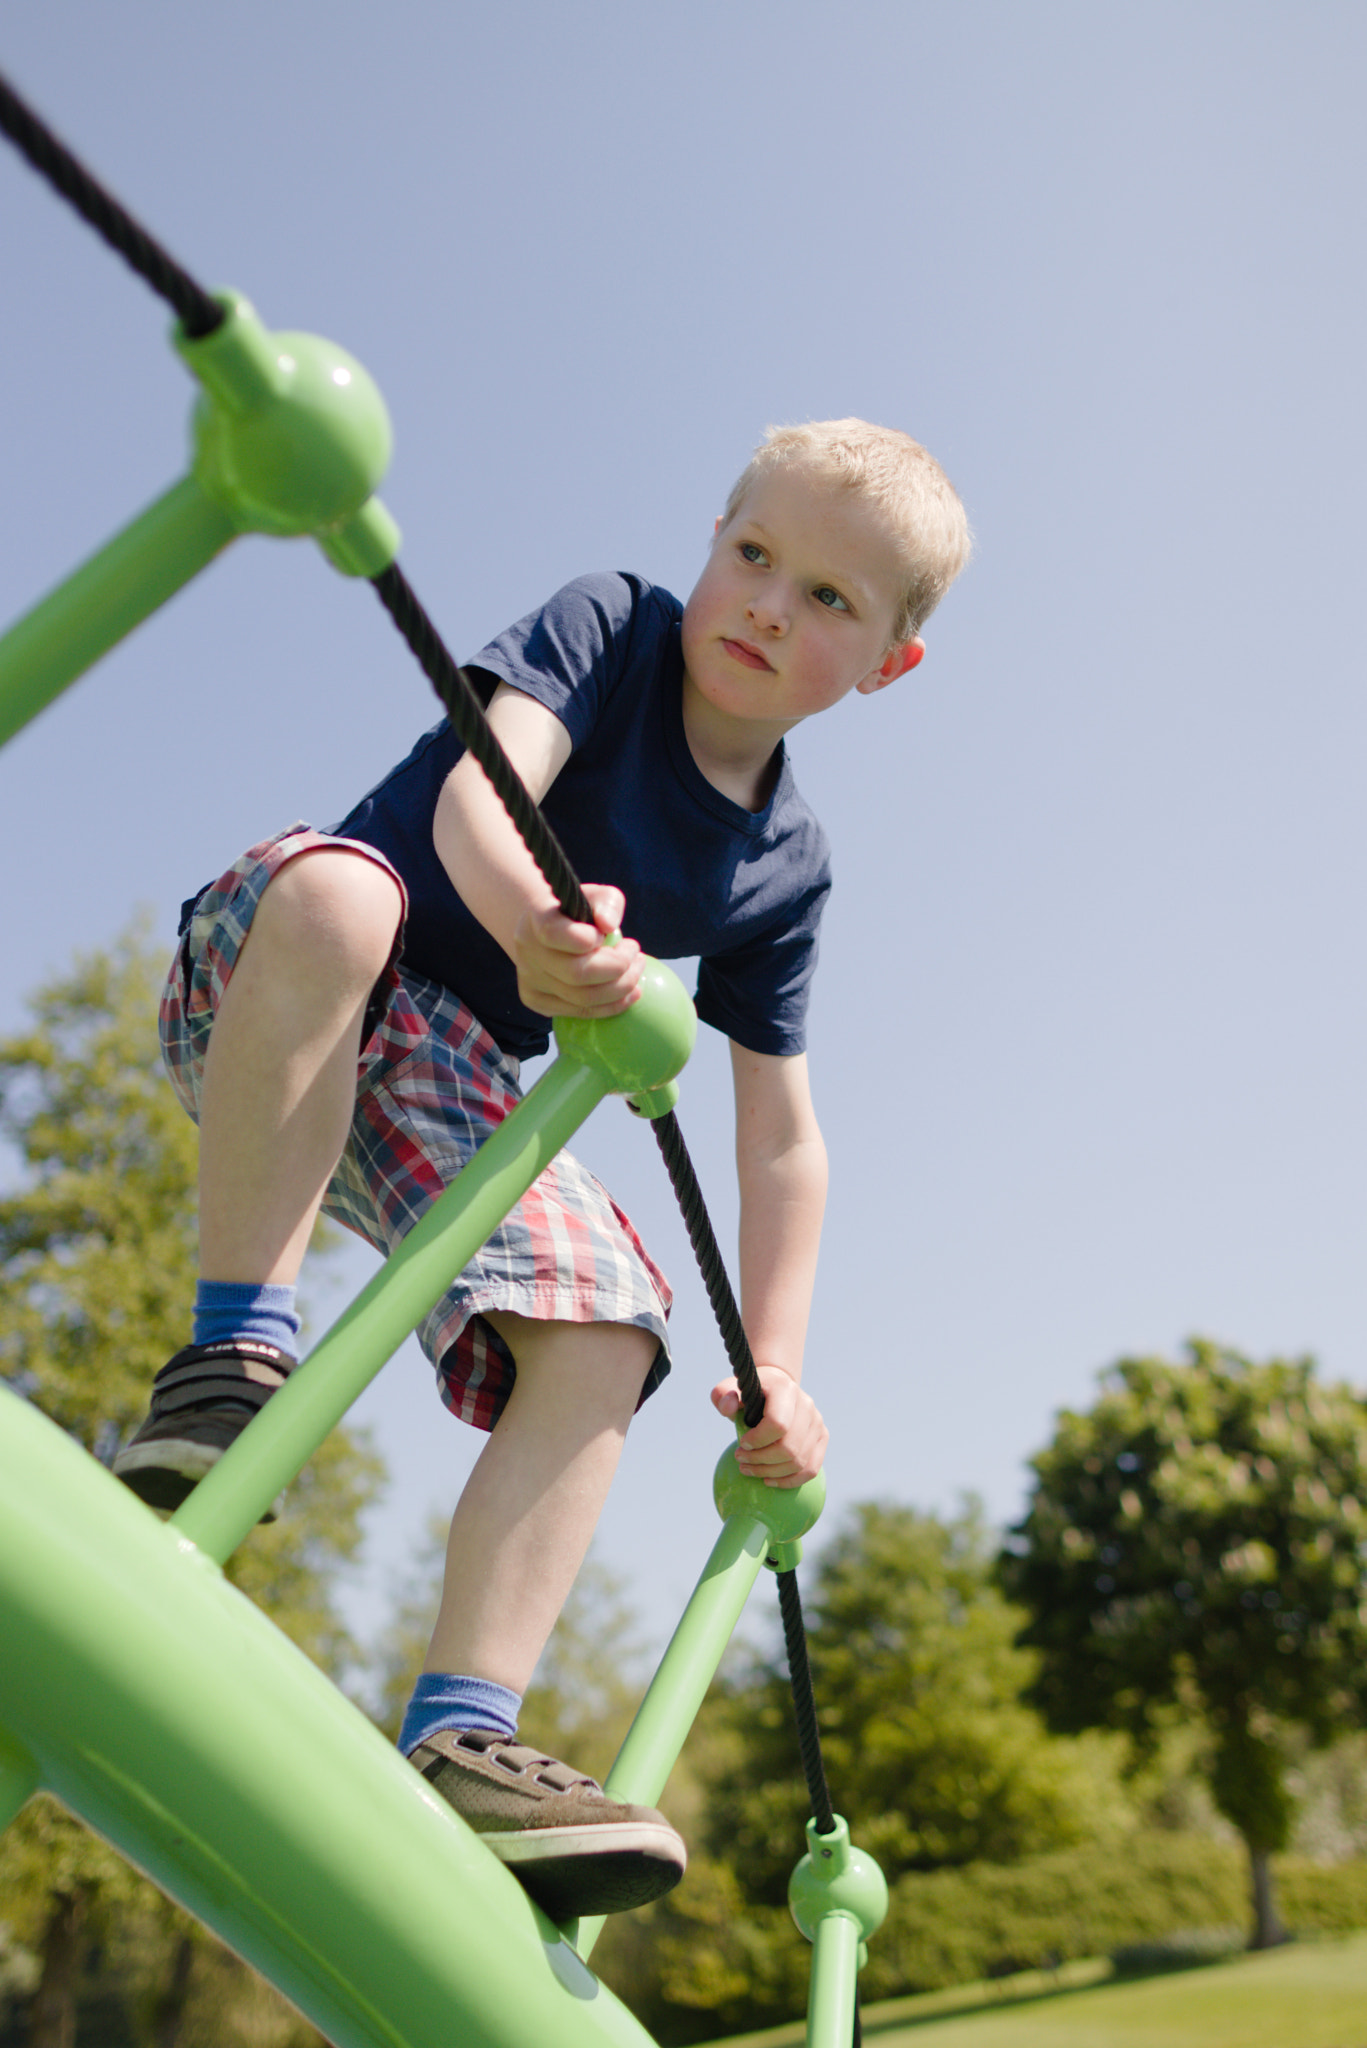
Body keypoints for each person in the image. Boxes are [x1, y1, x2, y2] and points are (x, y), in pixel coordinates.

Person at [115, 418, 970, 1921]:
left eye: (830, 599)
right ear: (712, 542)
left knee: (611, 1327)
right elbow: (474, 790)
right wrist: (537, 926)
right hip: (289, 974)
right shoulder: (615, 627)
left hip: (445, 1070)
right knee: (340, 888)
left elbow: (779, 1132)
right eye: (754, 555)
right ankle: (230, 1356)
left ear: (889, 668)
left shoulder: (788, 865)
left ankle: (462, 1734)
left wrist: (774, 1365)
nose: (769, 604)